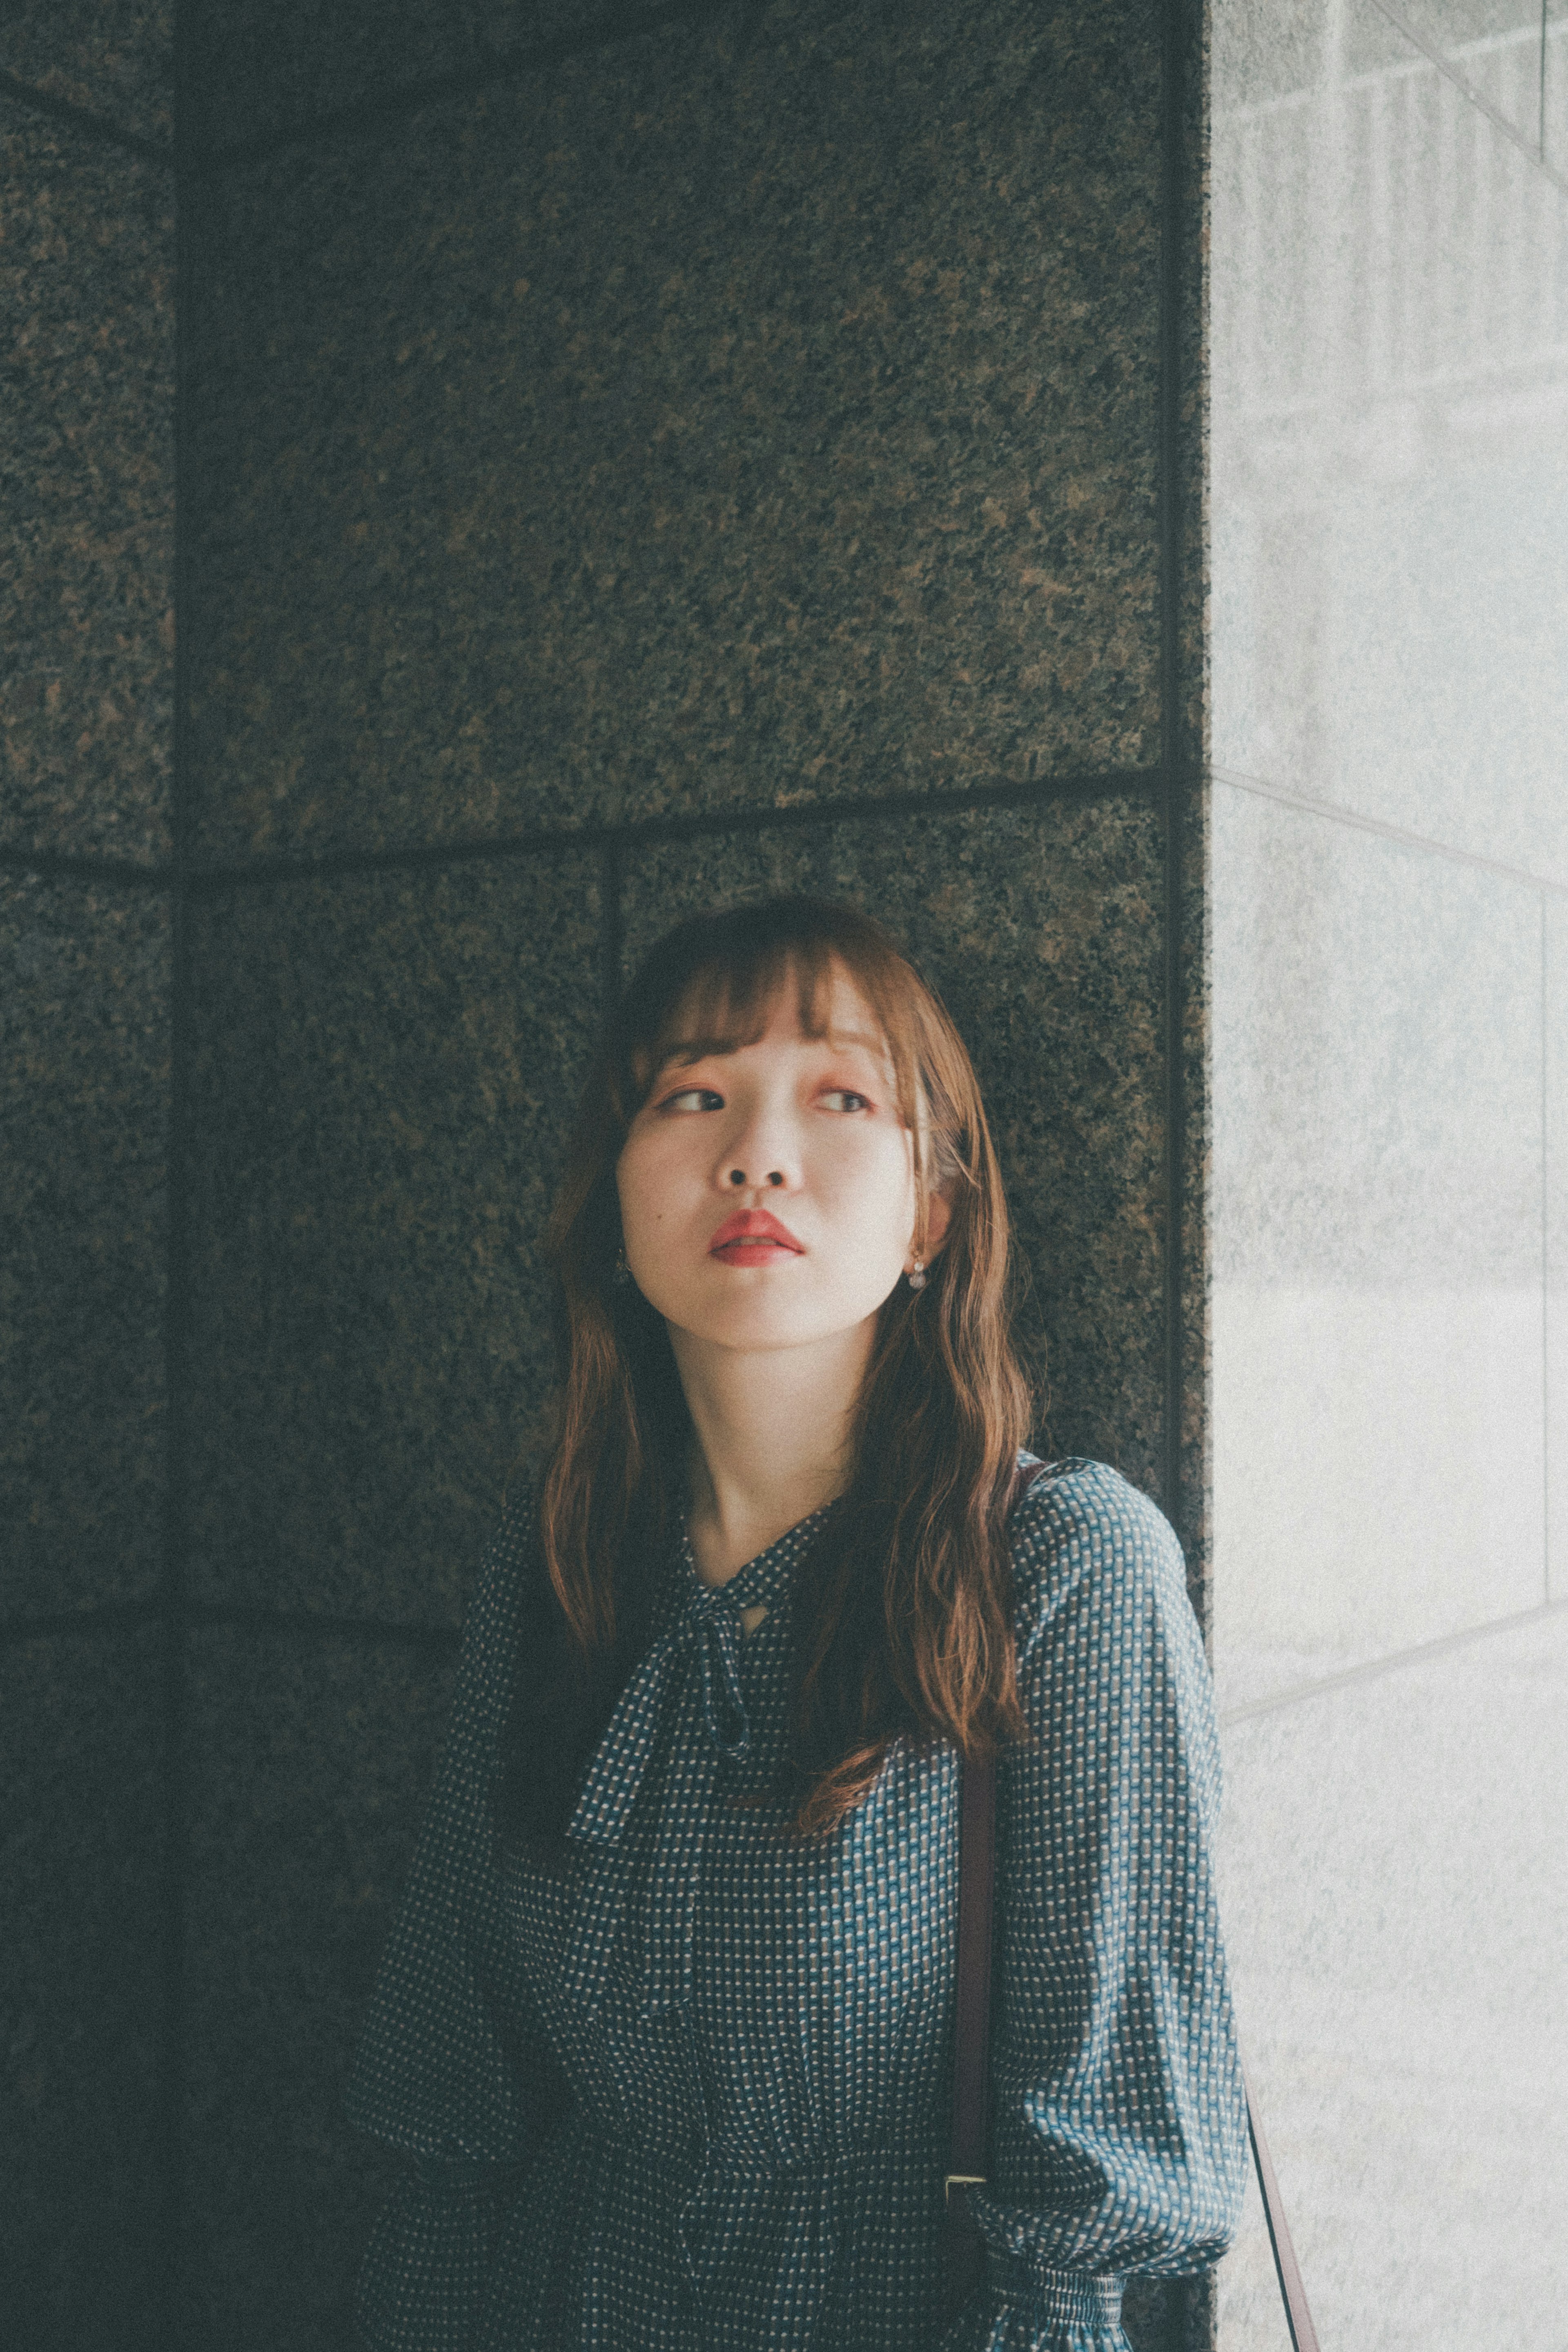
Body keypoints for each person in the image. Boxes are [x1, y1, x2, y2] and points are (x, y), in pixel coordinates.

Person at [344, 895, 1247, 2352]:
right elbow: (447, 2091)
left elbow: (1099, 2204)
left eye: (840, 1098)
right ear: (615, 1188)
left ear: (931, 1213)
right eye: (693, 1094)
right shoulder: (558, 1561)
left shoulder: (1065, 1570)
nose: (756, 1152)